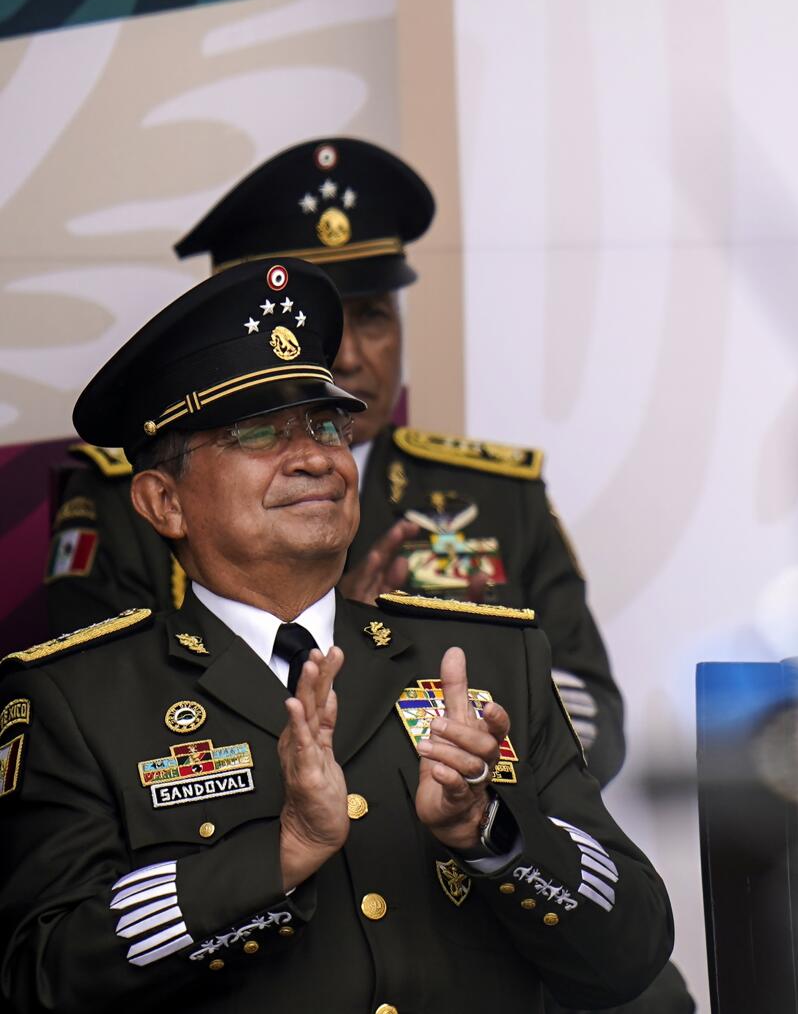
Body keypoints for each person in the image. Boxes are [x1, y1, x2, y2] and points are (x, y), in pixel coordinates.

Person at [0, 259, 673, 1012]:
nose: (318, 455)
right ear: (164, 501)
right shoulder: (74, 700)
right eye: (259, 430)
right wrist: (278, 854)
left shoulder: (492, 659)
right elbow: (42, 978)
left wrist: (489, 829)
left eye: (326, 424)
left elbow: (632, 951)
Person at [43, 138, 626, 782]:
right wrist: (322, 629)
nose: (349, 360)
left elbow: (591, 721)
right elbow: (105, 715)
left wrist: (472, 717)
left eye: (374, 317)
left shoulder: (496, 492)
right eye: (321, 330)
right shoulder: (131, 490)